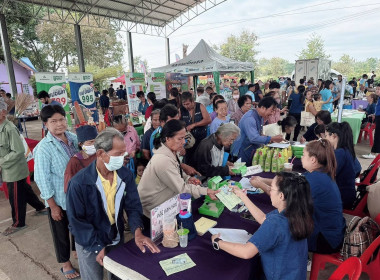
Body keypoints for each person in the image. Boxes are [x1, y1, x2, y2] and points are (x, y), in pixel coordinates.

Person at [66, 128, 160, 280]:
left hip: (114, 234)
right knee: (92, 277)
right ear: (101, 154)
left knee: (117, 275)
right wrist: (97, 247)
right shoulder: (79, 183)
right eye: (118, 154)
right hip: (89, 239)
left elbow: (133, 206)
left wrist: (137, 231)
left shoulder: (125, 175)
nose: (124, 157)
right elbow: (77, 222)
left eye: (123, 152)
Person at [212, 172, 313, 280]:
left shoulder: (275, 223)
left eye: (272, 189)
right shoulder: (297, 212)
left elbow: (246, 252)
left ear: (281, 196)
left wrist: (218, 242)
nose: (269, 190)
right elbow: (263, 219)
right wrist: (242, 196)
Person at [251, 139, 345, 254]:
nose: (301, 158)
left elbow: (283, 197)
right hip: (332, 231)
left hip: (325, 239)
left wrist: (260, 184)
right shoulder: (319, 173)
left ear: (313, 160)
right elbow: (288, 183)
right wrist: (263, 179)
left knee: (279, 229)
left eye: (303, 155)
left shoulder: (315, 180)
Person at [138, 120, 219, 220]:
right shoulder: (163, 160)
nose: (184, 142)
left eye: (184, 138)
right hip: (152, 210)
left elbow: (176, 170)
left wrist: (187, 178)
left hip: (164, 203)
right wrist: (206, 191)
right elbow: (182, 189)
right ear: (168, 139)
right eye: (180, 139)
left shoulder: (170, 151)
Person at [34, 105, 80, 279]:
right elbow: (41, 178)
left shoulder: (73, 138)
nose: (59, 124)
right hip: (59, 199)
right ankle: (65, 263)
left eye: (61, 119)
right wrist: (52, 205)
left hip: (77, 196)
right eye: (54, 121)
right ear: (46, 124)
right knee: (60, 232)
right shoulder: (44, 148)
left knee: (78, 225)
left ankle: (76, 250)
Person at [0, 100, 46, 236]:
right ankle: (40, 207)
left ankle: (18, 223)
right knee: (24, 190)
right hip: (9, 167)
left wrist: (1, 161)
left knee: (16, 197)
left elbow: (18, 151)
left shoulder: (9, 128)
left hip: (14, 169)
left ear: (3, 113)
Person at [232, 97, 284, 164]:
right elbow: (254, 138)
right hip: (242, 151)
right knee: (243, 172)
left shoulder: (260, 116)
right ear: (263, 108)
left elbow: (258, 133)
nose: (272, 113)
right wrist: (271, 138)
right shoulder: (250, 118)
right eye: (271, 110)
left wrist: (272, 139)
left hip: (250, 150)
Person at [325, 122, 361, 209]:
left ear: (334, 136)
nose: (325, 139)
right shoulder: (346, 150)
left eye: (326, 136)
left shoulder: (340, 153)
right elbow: (358, 168)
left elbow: (327, 175)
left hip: (341, 197)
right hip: (347, 194)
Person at [179, 91, 211, 165]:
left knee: (201, 161)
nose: (186, 106)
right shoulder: (181, 110)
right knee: (189, 162)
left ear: (192, 101)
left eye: (188, 104)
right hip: (188, 141)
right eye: (184, 104)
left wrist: (195, 125)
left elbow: (208, 120)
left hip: (201, 140)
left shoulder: (200, 106)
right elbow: (177, 124)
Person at [64, 125, 98, 193]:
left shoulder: (99, 155)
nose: (94, 144)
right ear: (80, 144)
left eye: (96, 141)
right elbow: (69, 187)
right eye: (90, 142)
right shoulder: (74, 161)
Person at [363, 86, 380, 159]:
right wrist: (374, 114)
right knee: (377, 135)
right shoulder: (379, 98)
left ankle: (373, 153)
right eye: (376, 89)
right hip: (377, 116)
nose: (377, 90)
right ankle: (374, 152)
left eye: (379, 89)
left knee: (377, 136)